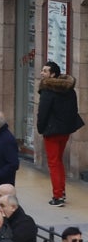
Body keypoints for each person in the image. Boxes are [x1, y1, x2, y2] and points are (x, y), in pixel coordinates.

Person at [37, 61, 83, 207]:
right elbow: (73, 110)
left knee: (54, 162)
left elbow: (42, 113)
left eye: (45, 71)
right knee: (58, 161)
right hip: (65, 131)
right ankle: (60, 191)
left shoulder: (47, 90)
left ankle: (58, 196)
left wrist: (41, 128)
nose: (41, 73)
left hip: (52, 132)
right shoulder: (69, 90)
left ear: (53, 74)